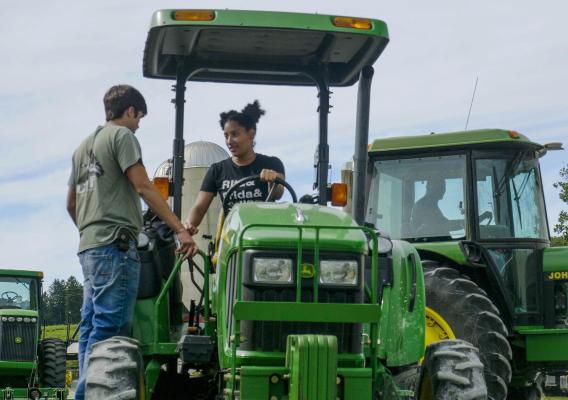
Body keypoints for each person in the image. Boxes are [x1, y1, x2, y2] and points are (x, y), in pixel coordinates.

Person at [66, 84, 198, 400]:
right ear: (129, 111)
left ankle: (83, 392)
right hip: (117, 246)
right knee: (110, 331)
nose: (139, 124)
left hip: (90, 247)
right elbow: (143, 187)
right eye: (139, 117)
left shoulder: (83, 147)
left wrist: (91, 231)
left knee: (90, 328)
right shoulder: (122, 137)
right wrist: (180, 229)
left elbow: (71, 203)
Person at [185, 100, 285, 235]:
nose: (229, 141)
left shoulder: (271, 164)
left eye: (235, 134)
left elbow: (279, 193)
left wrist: (273, 180)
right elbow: (199, 208)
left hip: (265, 237)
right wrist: (187, 228)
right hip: (233, 239)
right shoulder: (217, 170)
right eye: (226, 136)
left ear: (251, 134)